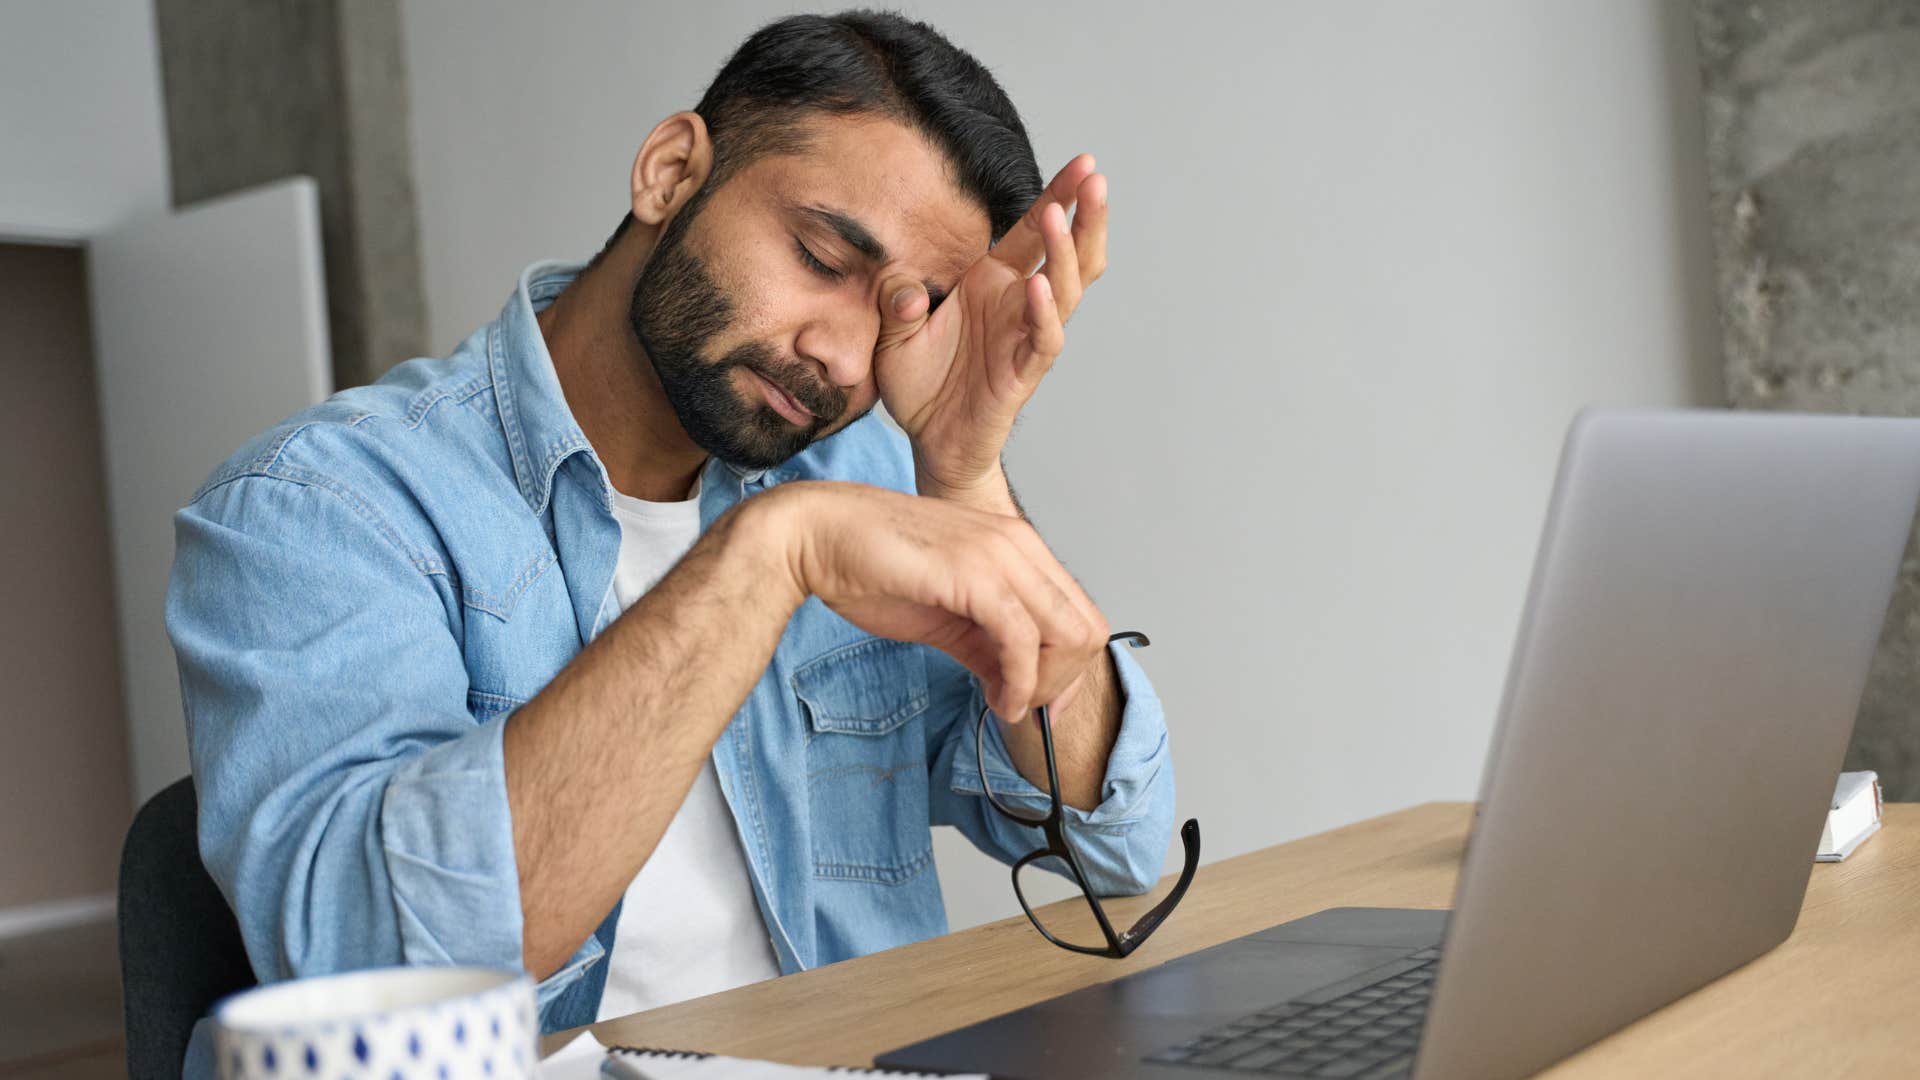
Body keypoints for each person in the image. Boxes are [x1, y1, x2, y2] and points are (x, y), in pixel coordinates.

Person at [167, 8, 1175, 1070]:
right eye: (822, 255)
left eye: (901, 311)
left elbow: (1105, 838)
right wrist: (768, 557)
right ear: (670, 170)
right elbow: (373, 969)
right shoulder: (318, 506)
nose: (840, 356)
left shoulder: (857, 479)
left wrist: (966, 477)